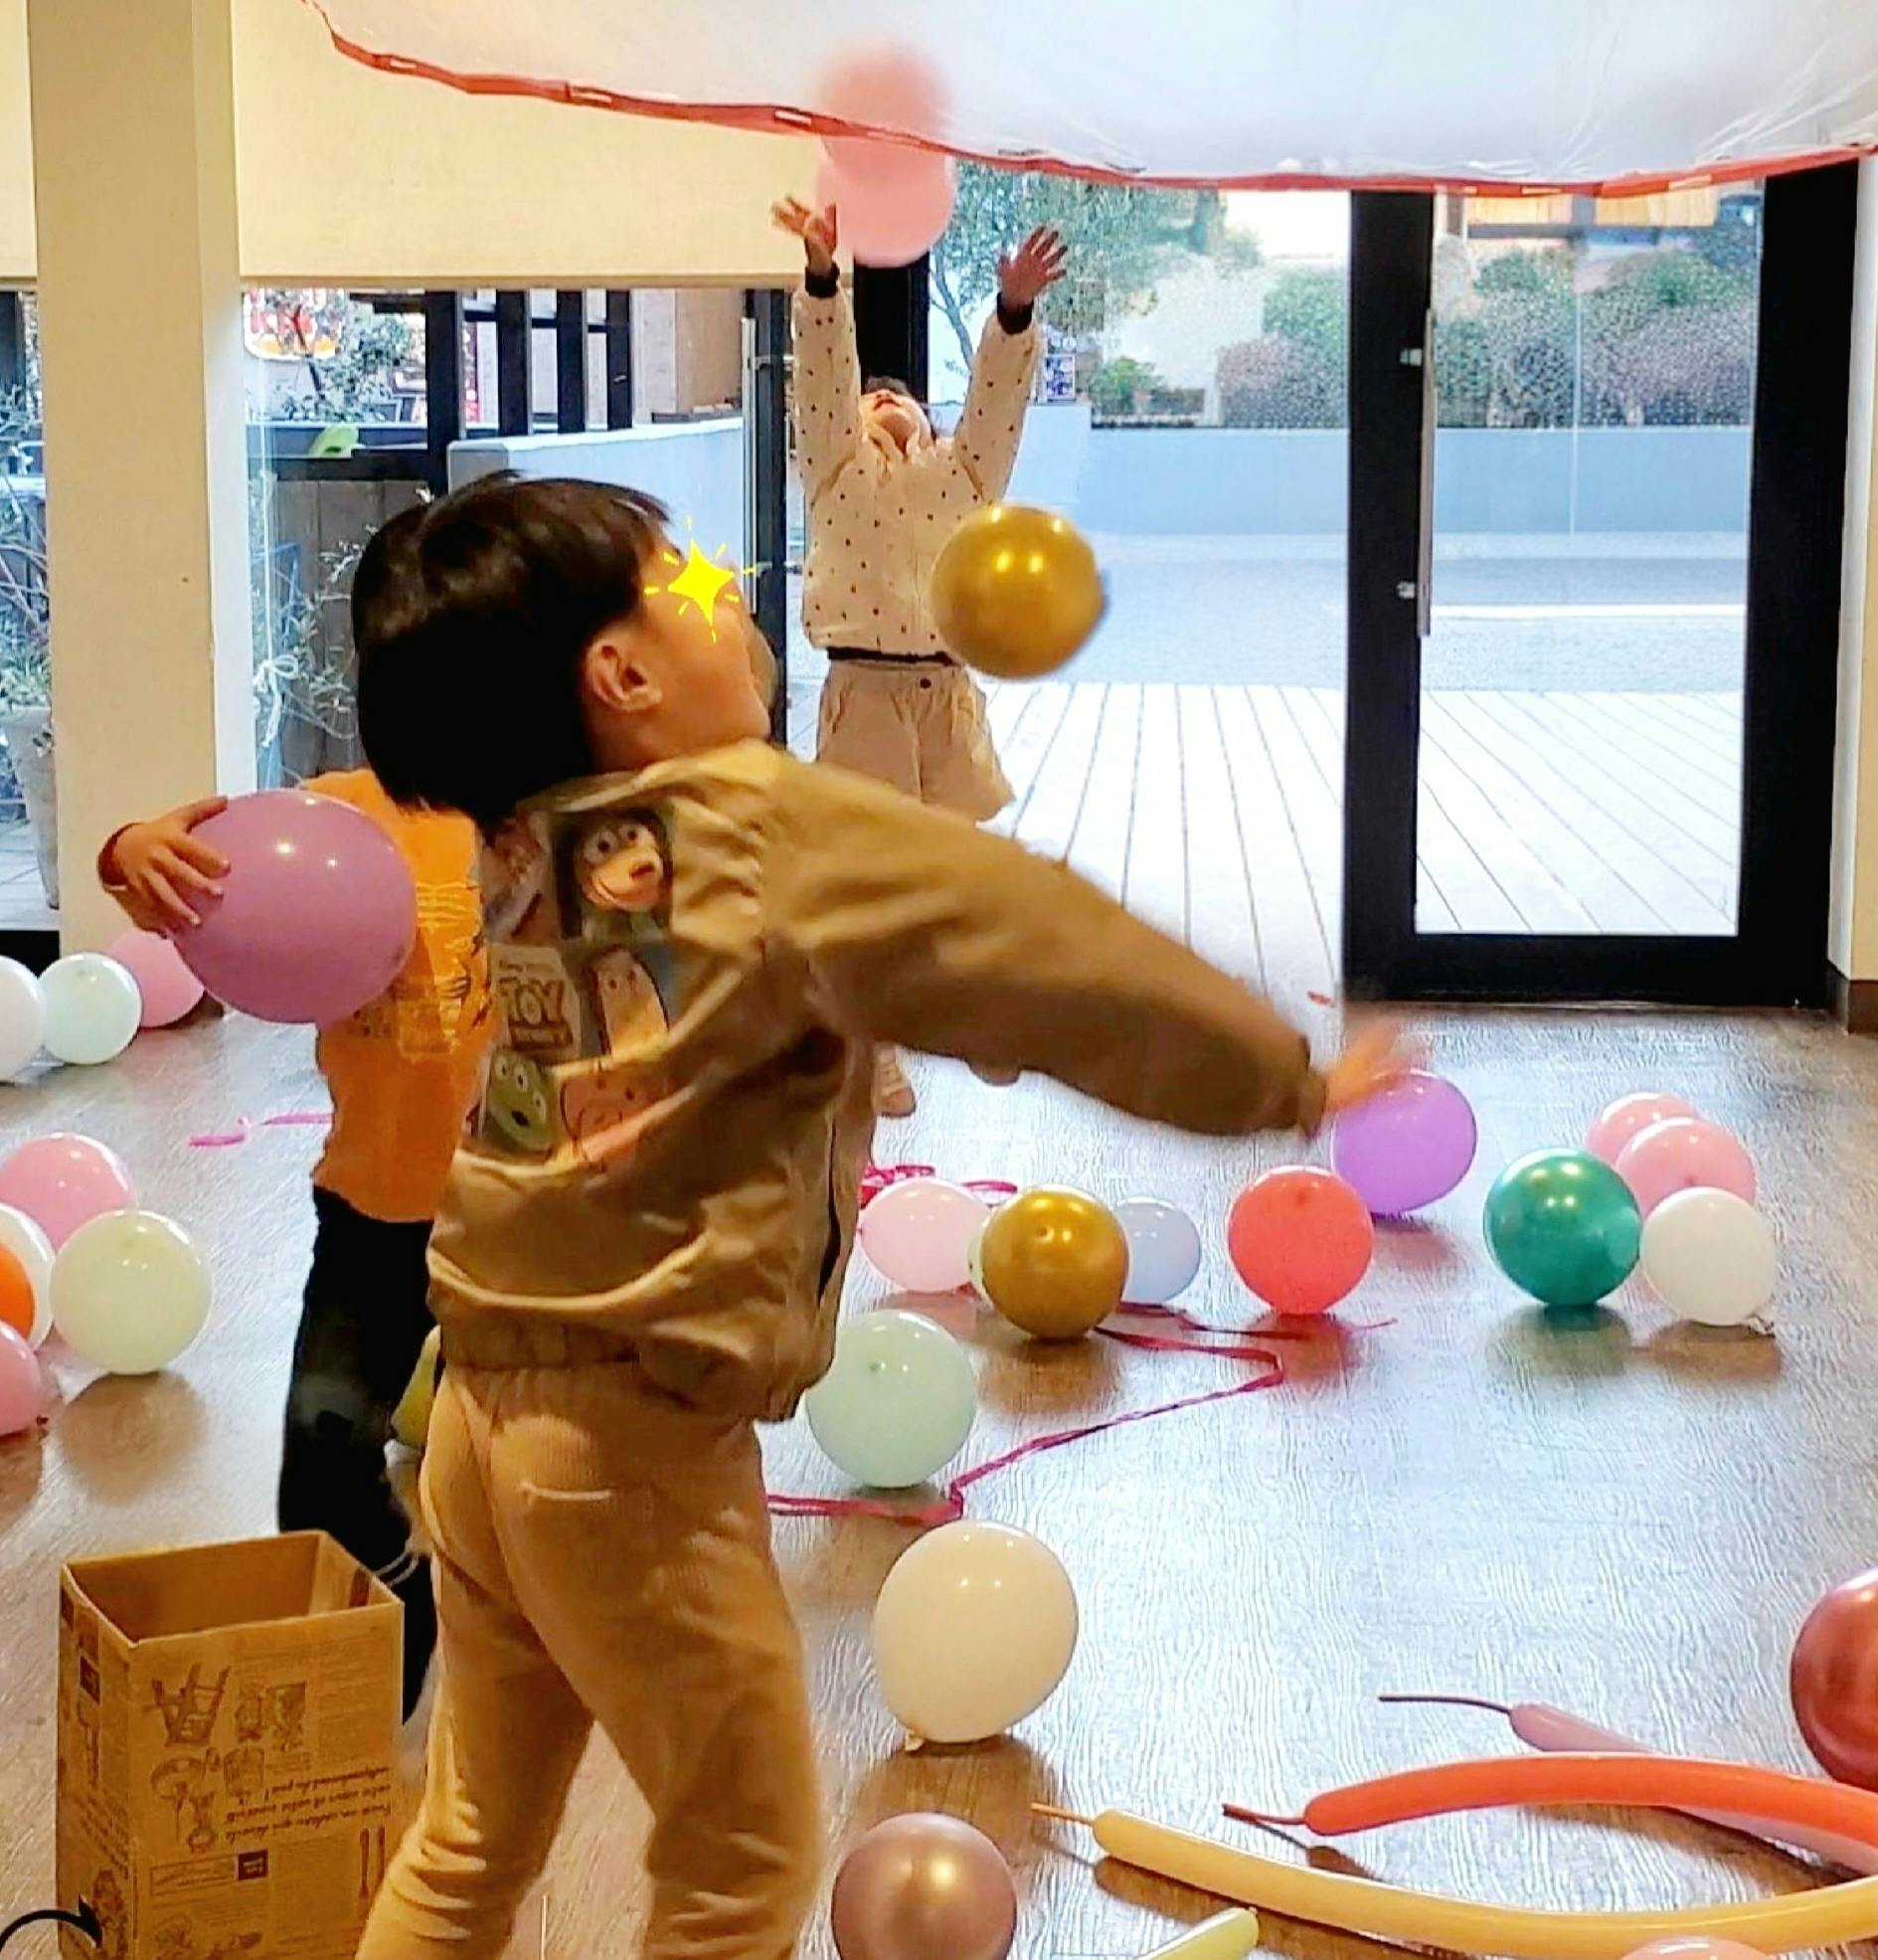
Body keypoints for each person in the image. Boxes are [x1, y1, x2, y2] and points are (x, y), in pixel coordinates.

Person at [343, 471, 1411, 1960]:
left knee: (471, 1837)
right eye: (687, 577)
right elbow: (1030, 941)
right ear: (623, 673)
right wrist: (1276, 1075)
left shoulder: (528, 843)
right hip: (625, 1438)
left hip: (474, 1405)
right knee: (738, 1859)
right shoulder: (758, 826)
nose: (726, 590)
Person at [98, 769, 491, 1729]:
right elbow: (169, 877)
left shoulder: (554, 804)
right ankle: (386, 1634)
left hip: (526, 1228)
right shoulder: (339, 809)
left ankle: (504, 1697)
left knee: (501, 1491)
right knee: (320, 1468)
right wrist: (130, 849)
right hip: (372, 1210)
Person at [777, 194, 1067, 1117]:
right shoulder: (835, 472)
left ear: (928, 420)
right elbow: (822, 378)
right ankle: (879, 1051)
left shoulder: (963, 476)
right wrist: (822, 280)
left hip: (944, 693)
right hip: (863, 690)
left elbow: (997, 406)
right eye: (870, 396)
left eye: (898, 393)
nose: (881, 398)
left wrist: (1012, 311)